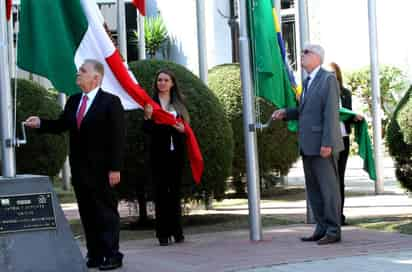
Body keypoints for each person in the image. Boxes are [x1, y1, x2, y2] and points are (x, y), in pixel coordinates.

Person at [25, 59, 125, 270]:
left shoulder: (111, 102)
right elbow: (63, 124)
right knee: (87, 212)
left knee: (105, 213)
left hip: (103, 170)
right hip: (80, 169)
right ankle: (95, 254)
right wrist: (41, 123)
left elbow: (118, 137)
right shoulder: (74, 100)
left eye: (83, 71)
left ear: (96, 78)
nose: (78, 73)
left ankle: (112, 255)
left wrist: (115, 168)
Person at [272, 44, 344, 245]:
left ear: (318, 58)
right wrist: (287, 112)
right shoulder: (308, 81)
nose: (302, 56)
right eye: (302, 52)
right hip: (308, 145)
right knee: (314, 190)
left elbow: (330, 113)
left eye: (306, 53)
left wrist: (327, 142)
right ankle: (321, 228)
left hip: (323, 145)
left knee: (328, 190)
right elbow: (306, 111)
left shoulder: (327, 79)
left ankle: (333, 230)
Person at [143, 69, 189, 246]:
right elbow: (146, 129)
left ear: (172, 83)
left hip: (176, 154)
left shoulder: (179, 104)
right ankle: (162, 234)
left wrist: (182, 130)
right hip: (158, 155)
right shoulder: (151, 103)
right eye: (159, 80)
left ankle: (177, 232)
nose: (161, 83)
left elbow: (186, 129)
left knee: (175, 193)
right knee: (161, 194)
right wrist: (148, 118)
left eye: (165, 80)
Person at [326, 62, 363, 225]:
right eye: (328, 73)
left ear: (338, 75)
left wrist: (354, 117)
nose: (331, 76)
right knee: (327, 178)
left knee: (339, 178)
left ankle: (339, 216)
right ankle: (327, 216)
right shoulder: (322, 92)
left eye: (334, 73)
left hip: (343, 139)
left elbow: (346, 114)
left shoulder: (345, 93)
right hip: (326, 140)